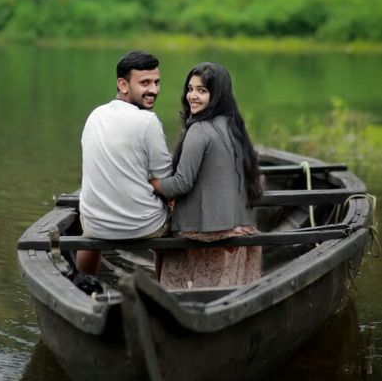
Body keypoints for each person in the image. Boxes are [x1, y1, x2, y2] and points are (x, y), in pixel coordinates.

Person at [150, 62, 263, 289]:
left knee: (159, 237)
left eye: (201, 91)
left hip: (206, 231)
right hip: (241, 226)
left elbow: (181, 184)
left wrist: (152, 183)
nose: (192, 96)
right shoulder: (235, 127)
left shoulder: (199, 130)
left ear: (217, 94)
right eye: (190, 89)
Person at [77, 51, 172, 275]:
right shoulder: (148, 121)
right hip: (144, 227)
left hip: (96, 225)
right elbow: (166, 181)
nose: (154, 90)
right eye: (145, 83)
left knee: (89, 229)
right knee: (177, 219)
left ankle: (83, 281)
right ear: (123, 84)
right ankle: (165, 286)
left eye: (157, 82)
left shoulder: (95, 115)